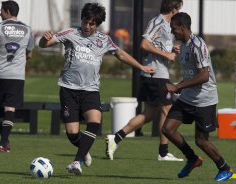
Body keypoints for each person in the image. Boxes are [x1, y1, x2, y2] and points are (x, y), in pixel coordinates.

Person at [39, 3, 154, 175]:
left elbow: (121, 54)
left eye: (92, 23)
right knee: (72, 133)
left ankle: (76, 162)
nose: (87, 26)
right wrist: (43, 38)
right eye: (85, 22)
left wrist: (141, 67)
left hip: (90, 90)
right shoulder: (71, 33)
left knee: (95, 122)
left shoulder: (104, 40)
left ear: (97, 24)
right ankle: (84, 151)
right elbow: (44, 44)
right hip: (68, 89)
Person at [106, 0, 183, 161]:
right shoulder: (158, 21)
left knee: (148, 114)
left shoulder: (167, 25)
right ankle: (163, 152)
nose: (180, 11)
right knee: (167, 110)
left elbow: (156, 46)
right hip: (156, 75)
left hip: (157, 74)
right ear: (174, 9)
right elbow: (144, 44)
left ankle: (116, 138)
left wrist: (171, 49)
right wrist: (166, 55)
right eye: (179, 8)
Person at [162, 12, 233, 181]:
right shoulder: (184, 46)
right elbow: (191, 75)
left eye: (174, 29)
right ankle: (192, 159)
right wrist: (179, 87)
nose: (173, 32)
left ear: (183, 27)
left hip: (204, 100)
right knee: (167, 129)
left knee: (201, 141)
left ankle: (225, 168)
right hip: (187, 97)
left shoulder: (198, 45)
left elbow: (203, 76)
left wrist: (177, 86)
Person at [0, 1, 34, 152]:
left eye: (1, 11)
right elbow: (29, 54)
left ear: (6, 11)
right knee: (10, 108)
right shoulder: (27, 29)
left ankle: (4, 142)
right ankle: (4, 142)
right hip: (17, 75)